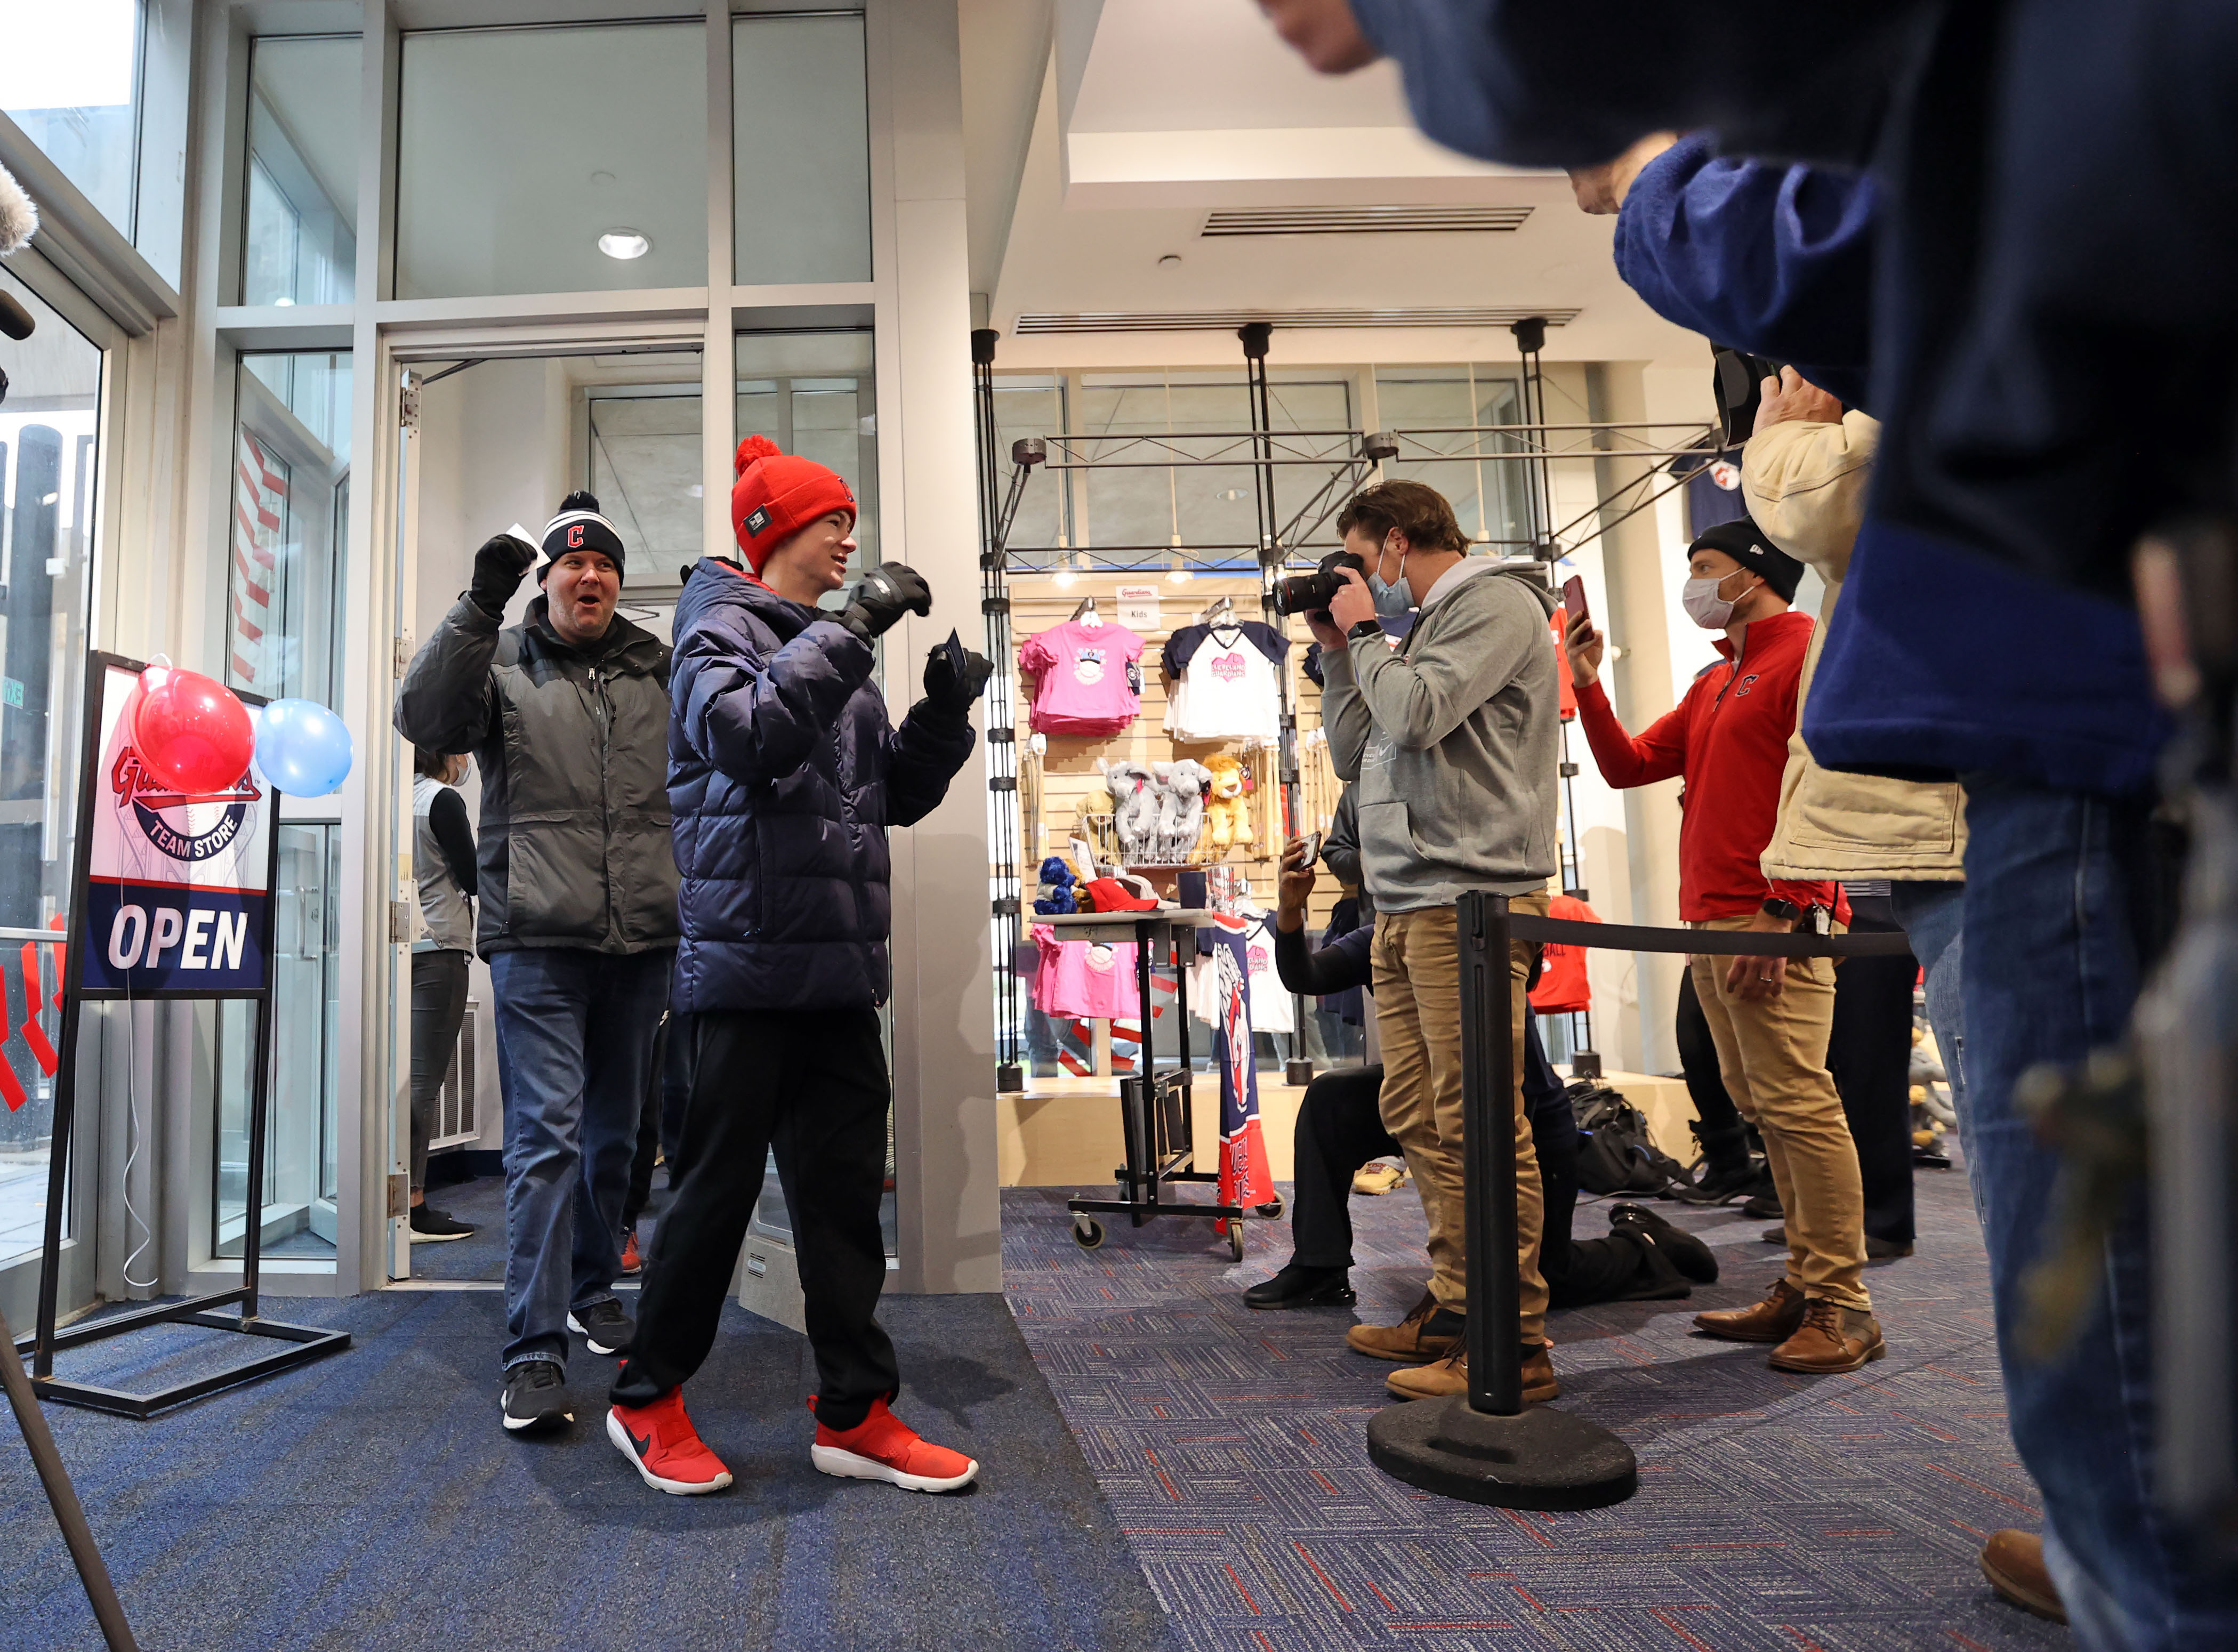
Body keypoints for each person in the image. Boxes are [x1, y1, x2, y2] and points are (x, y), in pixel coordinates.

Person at [606, 435, 991, 1498]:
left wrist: (940, 717)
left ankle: (853, 1413)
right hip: (740, 973)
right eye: (834, 520)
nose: (849, 537)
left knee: (838, 1206)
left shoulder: (823, 644)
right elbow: (748, 738)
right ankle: (645, 1400)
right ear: (775, 530)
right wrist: (856, 626)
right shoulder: (712, 631)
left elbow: (881, 798)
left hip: (833, 977)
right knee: (712, 1201)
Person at [1567, 519, 1882, 1375]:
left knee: (1800, 1103)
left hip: (1771, 915)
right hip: (1710, 919)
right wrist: (1589, 685)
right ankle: (1802, 1279)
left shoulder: (1804, 652)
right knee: (1764, 1104)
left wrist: (1787, 906)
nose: (1692, 582)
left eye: (1704, 567)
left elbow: (1830, 784)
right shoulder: (1717, 677)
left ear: (1751, 575)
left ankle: (1841, 1302)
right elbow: (1630, 765)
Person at [395, 491, 679, 1435]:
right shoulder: (502, 661)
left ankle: (595, 1287)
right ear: (547, 579)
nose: (588, 574)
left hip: (639, 936)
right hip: (535, 941)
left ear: (615, 581)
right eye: (570, 563)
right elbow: (422, 714)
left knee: (615, 1135)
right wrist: (477, 606)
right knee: (548, 1139)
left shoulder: (656, 666)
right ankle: (531, 1348)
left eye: (603, 563)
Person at [1312, 479, 1562, 1404]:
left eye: (1357, 557)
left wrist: (1371, 636)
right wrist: (1344, 654)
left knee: (1481, 1124)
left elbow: (1416, 716)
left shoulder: (1492, 603)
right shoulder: (1408, 636)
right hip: (1404, 900)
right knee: (1419, 1116)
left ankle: (1514, 1337)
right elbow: (1355, 750)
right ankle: (1457, 1305)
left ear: (1394, 541)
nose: (1356, 578)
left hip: (1470, 899)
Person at [1244, 839, 1717, 1320]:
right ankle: (1319, 1265)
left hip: (1520, 1119)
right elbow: (1304, 975)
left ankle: (1641, 1242)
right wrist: (1290, 910)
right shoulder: (1386, 936)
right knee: (1331, 1098)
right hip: (1430, 1102)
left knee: (1543, 1280)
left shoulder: (1485, 931)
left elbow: (1520, 1080)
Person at [406, 746, 478, 1243]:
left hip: (398, 950)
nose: (469, 755)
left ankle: (395, 1197)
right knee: (423, 1082)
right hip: (440, 947)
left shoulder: (395, 799)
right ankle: (413, 1203)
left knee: (404, 1078)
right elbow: (475, 877)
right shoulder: (442, 800)